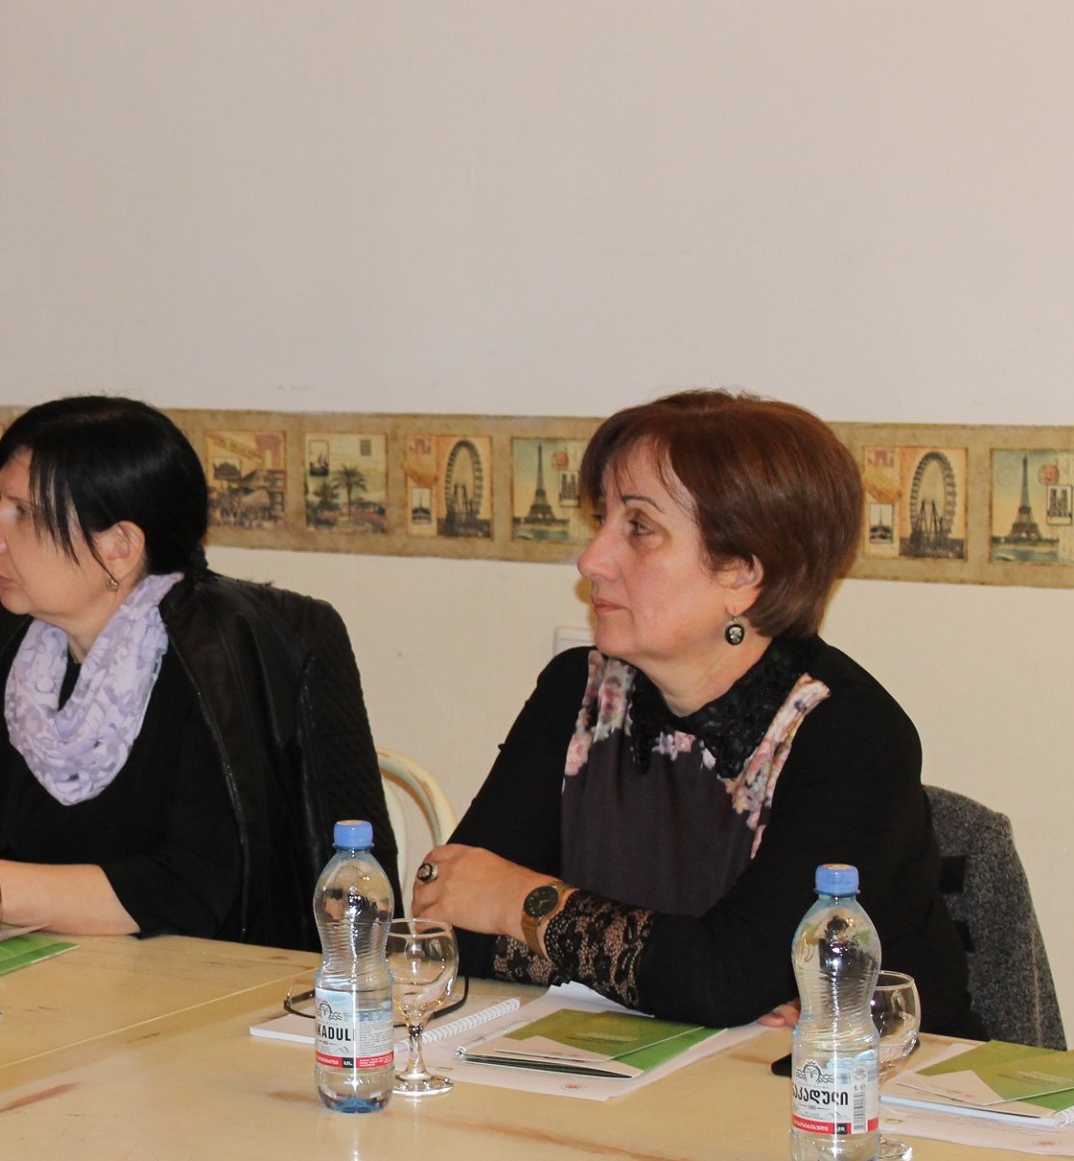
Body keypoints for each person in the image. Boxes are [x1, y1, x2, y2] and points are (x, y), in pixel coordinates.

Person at [410, 390, 978, 1036]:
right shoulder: (577, 693)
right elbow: (444, 914)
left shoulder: (850, 734)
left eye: (639, 528)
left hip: (874, 1089)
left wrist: (523, 903)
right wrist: (674, 976)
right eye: (602, 519)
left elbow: (725, 976)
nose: (591, 559)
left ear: (742, 573)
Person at [0, 395, 390, 952]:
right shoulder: (12, 636)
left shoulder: (220, 653)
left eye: (22, 512)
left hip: (203, 989)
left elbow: (188, 890)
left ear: (118, 547)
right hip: (46, 978)